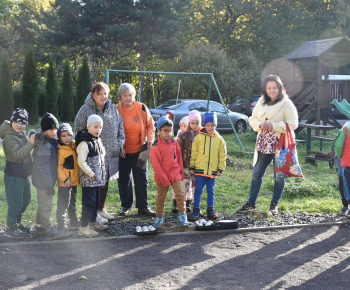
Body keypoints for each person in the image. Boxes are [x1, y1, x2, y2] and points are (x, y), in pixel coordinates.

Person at [237, 74, 298, 216]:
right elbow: (252, 118)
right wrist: (260, 124)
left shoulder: (286, 103)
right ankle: (251, 203)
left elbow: (294, 123)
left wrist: (273, 126)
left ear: (279, 88)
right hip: (264, 143)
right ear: (265, 89)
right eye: (269, 88)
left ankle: (273, 206)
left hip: (281, 144)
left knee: (279, 176)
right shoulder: (261, 101)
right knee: (257, 173)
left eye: (274, 88)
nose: (272, 90)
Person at [75, 82, 125, 223]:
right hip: (92, 154)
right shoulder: (85, 109)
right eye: (100, 94)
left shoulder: (112, 109)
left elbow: (120, 126)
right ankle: (93, 214)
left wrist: (119, 143)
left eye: (105, 93)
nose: (103, 96)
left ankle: (100, 209)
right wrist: (86, 143)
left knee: (105, 181)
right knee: (94, 183)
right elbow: (78, 127)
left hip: (110, 152)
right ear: (93, 95)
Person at [115, 83, 156, 217]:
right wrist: (117, 147)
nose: (128, 98)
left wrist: (150, 138)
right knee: (124, 179)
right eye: (125, 95)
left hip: (141, 149)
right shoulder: (115, 109)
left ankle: (143, 207)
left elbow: (150, 125)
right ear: (120, 97)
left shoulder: (142, 108)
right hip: (123, 151)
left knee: (141, 178)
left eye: (131, 95)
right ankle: (126, 206)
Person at [0, 109, 34, 239]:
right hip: (14, 175)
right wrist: (30, 143)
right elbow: (16, 154)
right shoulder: (8, 137)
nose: (20, 125)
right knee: (16, 203)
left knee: (26, 199)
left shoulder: (20, 133)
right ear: (12, 121)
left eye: (23, 123)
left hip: (22, 174)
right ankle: (10, 227)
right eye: (17, 122)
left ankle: (17, 223)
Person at [149, 116, 189, 227]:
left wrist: (181, 173)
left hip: (175, 174)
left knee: (180, 195)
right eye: (165, 131)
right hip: (162, 177)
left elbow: (179, 158)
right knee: (161, 198)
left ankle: (182, 215)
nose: (168, 133)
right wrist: (165, 180)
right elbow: (156, 167)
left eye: (170, 131)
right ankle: (159, 217)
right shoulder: (156, 148)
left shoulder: (174, 143)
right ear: (159, 131)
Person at [189, 111, 227, 221]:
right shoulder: (198, 138)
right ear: (204, 125)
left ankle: (210, 210)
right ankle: (196, 211)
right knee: (198, 190)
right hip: (200, 170)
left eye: (212, 125)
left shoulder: (220, 140)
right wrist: (192, 166)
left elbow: (222, 155)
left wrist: (220, 168)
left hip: (213, 171)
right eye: (208, 125)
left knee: (211, 191)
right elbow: (194, 153)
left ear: (215, 125)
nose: (210, 127)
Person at [32, 112, 64, 240]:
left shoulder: (49, 141)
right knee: (46, 204)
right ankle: (48, 228)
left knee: (43, 203)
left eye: (56, 129)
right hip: (44, 181)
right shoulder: (43, 144)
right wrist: (49, 184)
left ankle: (40, 226)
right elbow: (43, 166)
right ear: (45, 129)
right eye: (51, 129)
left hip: (46, 180)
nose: (54, 131)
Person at [76, 115, 109, 238]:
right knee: (88, 203)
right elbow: (81, 162)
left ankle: (93, 221)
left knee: (96, 202)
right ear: (88, 127)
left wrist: (103, 177)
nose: (98, 130)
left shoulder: (98, 141)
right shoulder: (85, 143)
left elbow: (102, 161)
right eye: (95, 127)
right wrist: (91, 174)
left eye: (100, 127)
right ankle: (83, 227)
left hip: (97, 180)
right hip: (89, 180)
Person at [174, 111, 202, 213]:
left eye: (197, 123)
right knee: (184, 188)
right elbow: (177, 151)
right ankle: (182, 209)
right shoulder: (183, 135)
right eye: (192, 123)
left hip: (199, 166)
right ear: (189, 123)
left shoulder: (203, 135)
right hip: (186, 166)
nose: (195, 125)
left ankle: (196, 208)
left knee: (197, 188)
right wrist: (178, 164)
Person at [56, 123, 80, 232]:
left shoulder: (74, 146)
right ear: (59, 137)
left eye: (69, 135)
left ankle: (74, 222)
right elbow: (58, 167)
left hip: (74, 181)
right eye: (64, 136)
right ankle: (61, 224)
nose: (67, 138)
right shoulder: (61, 150)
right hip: (65, 183)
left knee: (72, 202)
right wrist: (65, 179)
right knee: (63, 204)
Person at [334, 125, 350, 224]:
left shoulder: (345, 129)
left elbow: (338, 146)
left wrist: (341, 157)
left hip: (348, 163)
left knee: (348, 187)